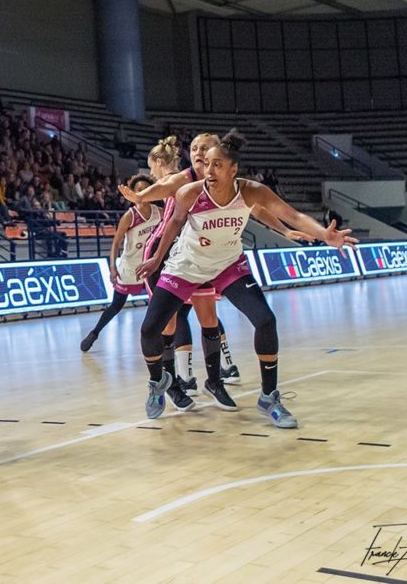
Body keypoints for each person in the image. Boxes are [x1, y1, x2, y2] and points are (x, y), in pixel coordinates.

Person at [131, 130, 357, 428]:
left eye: (216, 165)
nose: (209, 171)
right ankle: (157, 381)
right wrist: (156, 258)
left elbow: (293, 215)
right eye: (206, 164)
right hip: (186, 266)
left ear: (233, 169)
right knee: (150, 330)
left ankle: (269, 397)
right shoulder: (190, 192)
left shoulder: (251, 191)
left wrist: (325, 235)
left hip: (228, 265)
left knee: (266, 321)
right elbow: (173, 224)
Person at [81, 173, 162, 352]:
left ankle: (161, 339)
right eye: (139, 190)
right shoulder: (129, 216)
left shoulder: (159, 212)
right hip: (130, 267)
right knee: (116, 306)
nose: (142, 193)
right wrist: (112, 267)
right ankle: (94, 333)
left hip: (151, 267)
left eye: (146, 189)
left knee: (159, 303)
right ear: (132, 193)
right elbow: (116, 243)